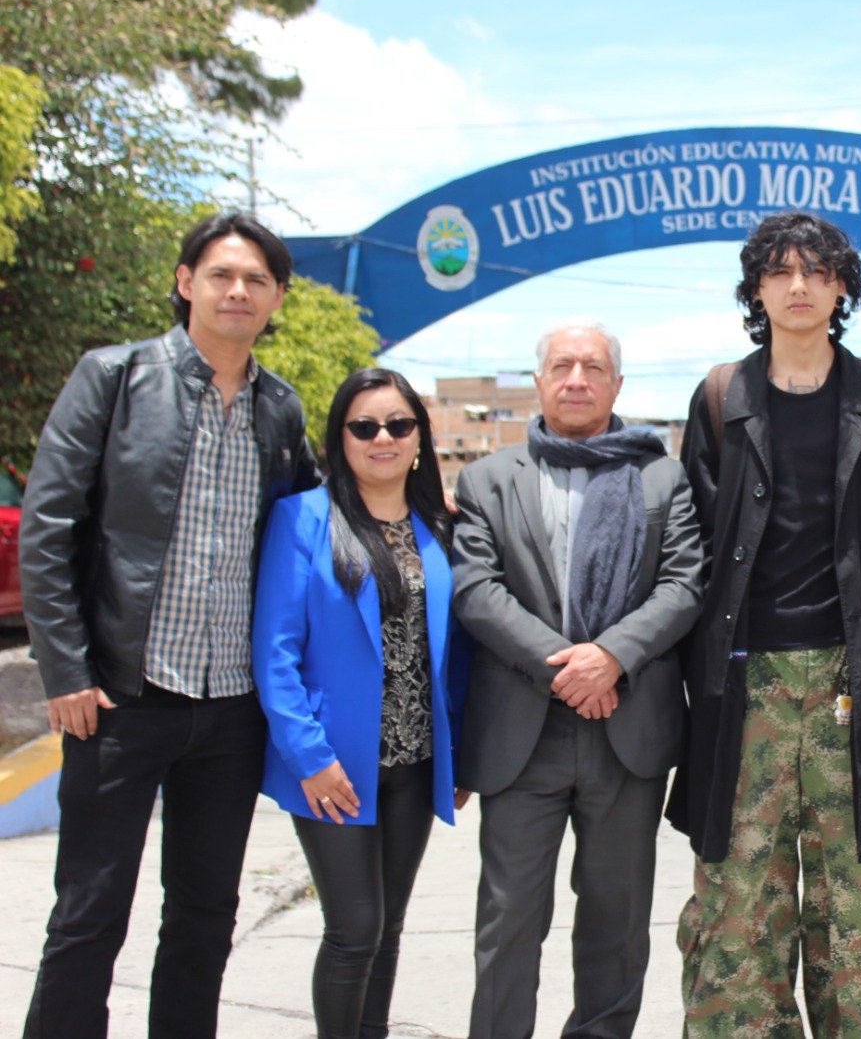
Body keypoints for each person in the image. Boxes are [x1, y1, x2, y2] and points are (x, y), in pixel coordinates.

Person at [19, 211, 320, 1037]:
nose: (237, 291)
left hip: (230, 710)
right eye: (221, 274)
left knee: (202, 919)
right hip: (123, 699)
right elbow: (49, 531)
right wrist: (68, 673)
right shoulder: (114, 378)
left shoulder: (281, 411)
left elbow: (308, 549)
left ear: (277, 299)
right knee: (89, 915)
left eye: (256, 280)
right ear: (187, 282)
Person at [669, 210, 861, 1037]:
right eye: (779, 272)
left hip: (849, 686)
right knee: (737, 912)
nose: (797, 286)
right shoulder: (722, 398)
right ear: (756, 289)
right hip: (743, 686)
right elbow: (693, 542)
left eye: (816, 272)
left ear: (842, 288)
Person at [451, 322, 702, 1039]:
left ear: (617, 385)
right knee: (506, 927)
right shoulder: (489, 479)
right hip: (522, 737)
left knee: (616, 926)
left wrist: (612, 656)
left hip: (627, 734)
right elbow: (476, 590)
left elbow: (685, 584)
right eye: (562, 365)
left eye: (594, 367)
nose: (576, 379)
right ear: (539, 380)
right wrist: (568, 669)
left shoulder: (662, 476)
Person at [252, 368, 469, 1038]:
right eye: (365, 425)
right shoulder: (302, 519)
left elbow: (454, 653)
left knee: (389, 929)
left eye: (399, 425)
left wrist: (458, 759)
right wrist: (309, 758)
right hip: (333, 769)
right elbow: (275, 653)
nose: (383, 437)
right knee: (354, 929)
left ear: (419, 439)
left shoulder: (438, 526)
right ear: (340, 436)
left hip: (415, 763)